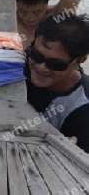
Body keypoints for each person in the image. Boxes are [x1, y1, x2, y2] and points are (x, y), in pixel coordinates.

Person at [26, 14, 89, 153]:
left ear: (78, 61)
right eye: (37, 55)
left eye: (55, 64)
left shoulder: (82, 110)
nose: (41, 67)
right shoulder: (16, 64)